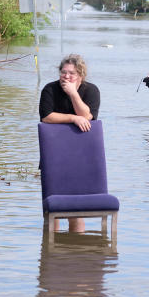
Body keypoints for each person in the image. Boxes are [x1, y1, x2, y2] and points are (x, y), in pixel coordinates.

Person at [38, 54, 101, 233]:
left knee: (76, 210)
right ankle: (51, 252)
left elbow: (88, 116)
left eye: (71, 73)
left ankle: (76, 250)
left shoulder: (91, 91)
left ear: (81, 75)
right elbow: (46, 116)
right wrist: (73, 118)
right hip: (54, 154)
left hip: (80, 156)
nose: (66, 77)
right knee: (52, 208)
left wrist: (73, 93)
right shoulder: (49, 89)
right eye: (63, 72)